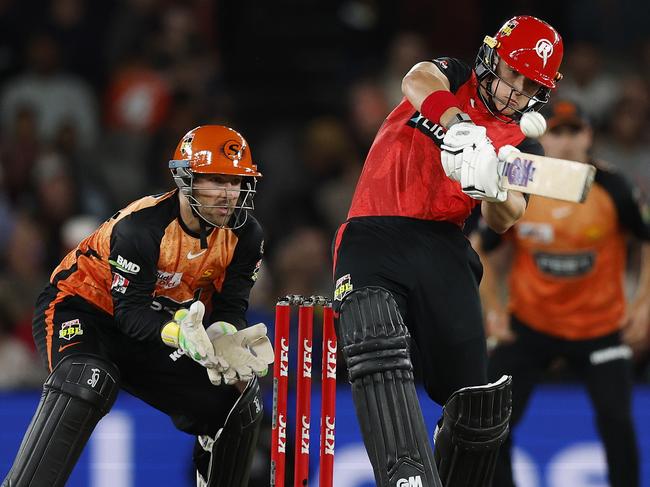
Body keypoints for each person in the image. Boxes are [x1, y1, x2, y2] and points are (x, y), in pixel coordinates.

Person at [332, 15, 564, 487]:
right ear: (490, 57)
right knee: (374, 336)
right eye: (511, 72)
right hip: (375, 230)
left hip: (443, 247)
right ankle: (407, 478)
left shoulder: (523, 142)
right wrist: (460, 129)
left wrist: (491, 185)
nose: (516, 91)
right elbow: (415, 78)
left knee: (477, 406)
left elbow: (509, 215)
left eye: (529, 85)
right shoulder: (455, 77)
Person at [2, 125, 274, 487]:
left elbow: (230, 306)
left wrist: (223, 334)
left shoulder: (246, 236)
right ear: (186, 179)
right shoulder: (141, 228)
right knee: (87, 379)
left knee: (236, 407)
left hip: (158, 322)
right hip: (82, 308)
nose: (228, 194)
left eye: (236, 182)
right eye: (216, 181)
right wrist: (181, 334)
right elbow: (129, 314)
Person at [479, 100, 649, 487]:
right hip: (531, 326)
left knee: (617, 424)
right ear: (541, 138)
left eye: (576, 131)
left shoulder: (613, 186)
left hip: (599, 328)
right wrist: (492, 310)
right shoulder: (520, 186)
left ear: (589, 136)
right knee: (490, 425)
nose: (568, 142)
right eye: (557, 132)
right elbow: (481, 249)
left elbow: (646, 240)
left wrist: (643, 305)